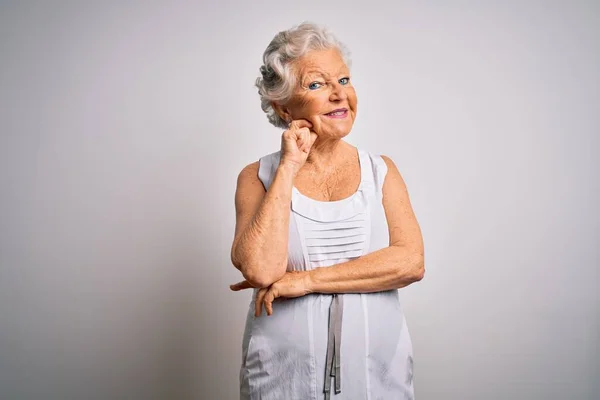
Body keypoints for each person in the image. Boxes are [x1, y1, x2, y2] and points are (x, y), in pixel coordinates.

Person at [229, 22, 425, 400]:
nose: (339, 95)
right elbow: (261, 270)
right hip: (282, 377)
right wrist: (289, 165)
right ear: (283, 106)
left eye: (344, 80)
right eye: (317, 85)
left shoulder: (380, 170)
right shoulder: (258, 176)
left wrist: (304, 280)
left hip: (377, 375)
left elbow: (409, 262)